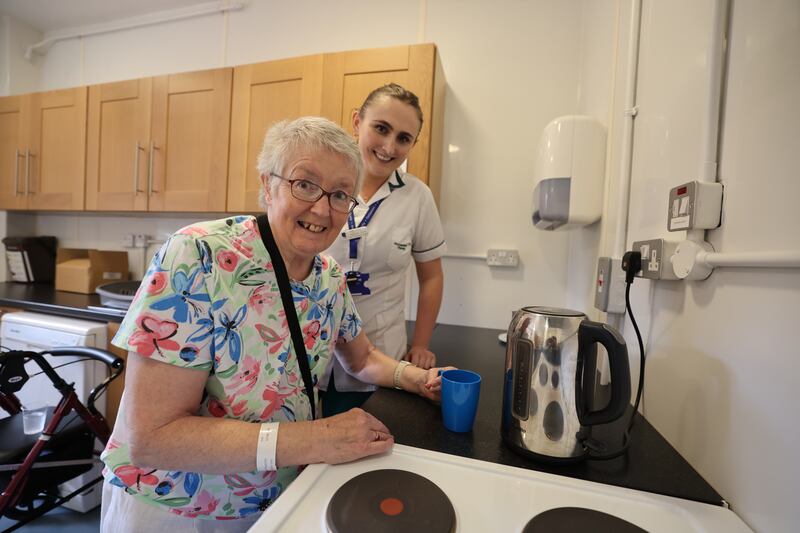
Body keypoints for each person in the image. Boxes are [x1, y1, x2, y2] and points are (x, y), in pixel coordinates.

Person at [99, 116, 448, 532]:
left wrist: (416, 378)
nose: (322, 208)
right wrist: (315, 439)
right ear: (267, 185)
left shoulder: (329, 278)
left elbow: (362, 358)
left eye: (340, 195)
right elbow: (151, 438)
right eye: (304, 184)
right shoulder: (197, 256)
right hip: (179, 508)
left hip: (277, 498)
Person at [320, 83, 446, 416]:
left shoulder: (417, 197)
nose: (390, 146)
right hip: (309, 352)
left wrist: (420, 344)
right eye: (381, 128)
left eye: (404, 138)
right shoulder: (322, 185)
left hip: (382, 358)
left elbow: (431, 277)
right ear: (357, 122)